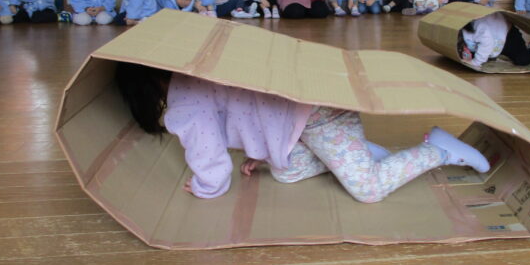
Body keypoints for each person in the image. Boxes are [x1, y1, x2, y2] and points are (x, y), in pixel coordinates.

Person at [115, 62, 490, 203]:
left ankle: (439, 150)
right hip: (303, 113)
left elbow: (210, 157)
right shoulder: (200, 66)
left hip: (320, 114)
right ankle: (352, 151)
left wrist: (205, 186)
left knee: (369, 190)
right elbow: (247, 108)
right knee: (284, 171)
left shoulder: (182, 103)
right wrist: (262, 152)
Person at [458, 12, 530, 68]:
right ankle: (489, 53)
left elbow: (487, 42)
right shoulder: (461, 32)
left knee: (521, 59)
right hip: (491, 37)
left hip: (507, 35)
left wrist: (476, 62)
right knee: (469, 58)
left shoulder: (479, 27)